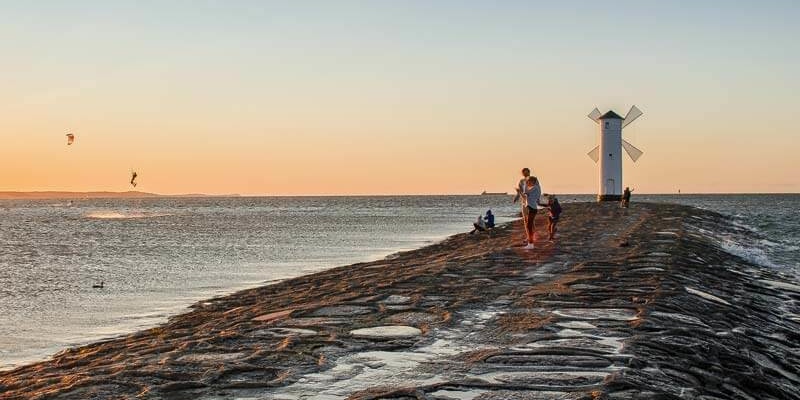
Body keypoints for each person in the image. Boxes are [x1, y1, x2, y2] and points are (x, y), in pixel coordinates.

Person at [521, 176, 541, 249]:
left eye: (529, 182)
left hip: (532, 208)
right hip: (531, 208)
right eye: (528, 182)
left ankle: (531, 244)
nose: (528, 183)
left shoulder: (535, 188)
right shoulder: (536, 188)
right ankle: (530, 243)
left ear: (533, 182)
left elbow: (525, 192)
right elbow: (526, 194)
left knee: (529, 226)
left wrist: (525, 184)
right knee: (529, 225)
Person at [513, 168, 532, 244]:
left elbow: (536, 191)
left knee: (530, 220)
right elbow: (519, 192)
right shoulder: (521, 181)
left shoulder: (533, 180)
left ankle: (532, 236)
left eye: (527, 173)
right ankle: (528, 236)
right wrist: (516, 197)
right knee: (525, 220)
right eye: (524, 173)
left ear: (529, 172)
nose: (526, 174)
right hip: (524, 202)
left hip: (531, 202)